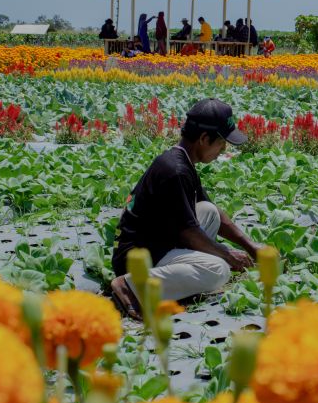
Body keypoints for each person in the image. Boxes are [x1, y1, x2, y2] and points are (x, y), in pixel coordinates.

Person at [110, 99, 261, 319]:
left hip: (159, 241)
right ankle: (129, 286)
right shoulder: (175, 170)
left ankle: (178, 275)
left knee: (208, 210)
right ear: (204, 139)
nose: (223, 150)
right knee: (219, 270)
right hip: (137, 257)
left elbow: (214, 214)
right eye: (222, 143)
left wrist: (251, 246)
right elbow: (189, 233)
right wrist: (227, 255)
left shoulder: (182, 160)